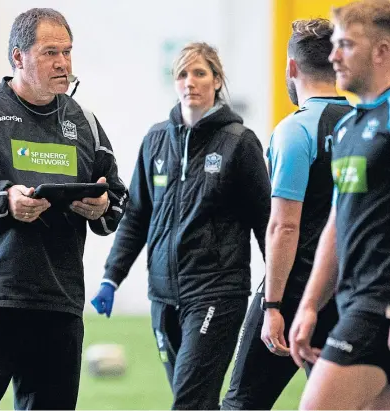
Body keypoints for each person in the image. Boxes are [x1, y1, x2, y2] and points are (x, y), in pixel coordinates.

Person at [0, 8, 128, 410]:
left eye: (68, 52)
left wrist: (100, 206)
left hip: (57, 305)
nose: (63, 63)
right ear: (18, 57)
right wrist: (5, 202)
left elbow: (117, 201)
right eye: (50, 52)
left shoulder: (84, 122)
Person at [90, 42, 271, 410]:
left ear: (217, 81)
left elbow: (266, 222)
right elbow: (137, 215)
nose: (190, 81)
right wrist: (112, 277)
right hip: (162, 295)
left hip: (216, 293)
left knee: (189, 403)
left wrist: (280, 295)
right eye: (182, 74)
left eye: (200, 73)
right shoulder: (156, 140)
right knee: (197, 403)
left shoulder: (240, 143)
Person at [221, 18, 352, 410]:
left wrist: (273, 306)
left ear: (292, 68)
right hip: (352, 293)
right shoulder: (369, 126)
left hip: (297, 292)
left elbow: (283, 225)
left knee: (242, 403)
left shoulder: (296, 131)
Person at [288, 1, 390, 409]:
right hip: (352, 301)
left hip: (375, 306)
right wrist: (310, 304)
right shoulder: (348, 126)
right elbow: (336, 222)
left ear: (381, 51)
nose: (332, 57)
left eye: (345, 44)